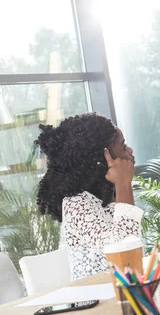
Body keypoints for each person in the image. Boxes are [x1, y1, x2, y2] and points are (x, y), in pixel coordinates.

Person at [36, 113, 142, 280]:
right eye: (123, 146)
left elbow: (131, 255)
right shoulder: (76, 205)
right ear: (102, 159)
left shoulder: (107, 196)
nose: (130, 150)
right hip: (95, 301)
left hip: (121, 291)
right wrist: (123, 182)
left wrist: (121, 185)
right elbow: (123, 249)